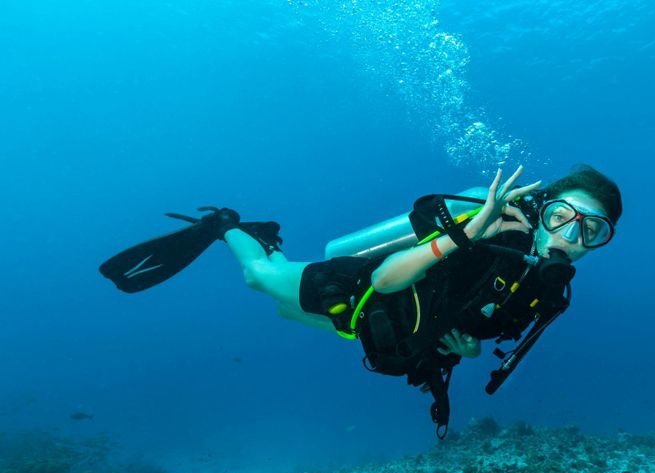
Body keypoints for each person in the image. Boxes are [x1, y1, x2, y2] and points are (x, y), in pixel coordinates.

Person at [100, 164, 622, 438]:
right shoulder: (490, 229)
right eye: (562, 217)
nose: (570, 236)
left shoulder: (549, 289)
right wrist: (465, 235)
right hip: (361, 290)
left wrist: (468, 352)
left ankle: (260, 242)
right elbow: (387, 277)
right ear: (544, 208)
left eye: (591, 230)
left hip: (387, 330)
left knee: (285, 310)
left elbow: (487, 335)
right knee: (261, 278)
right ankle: (229, 226)